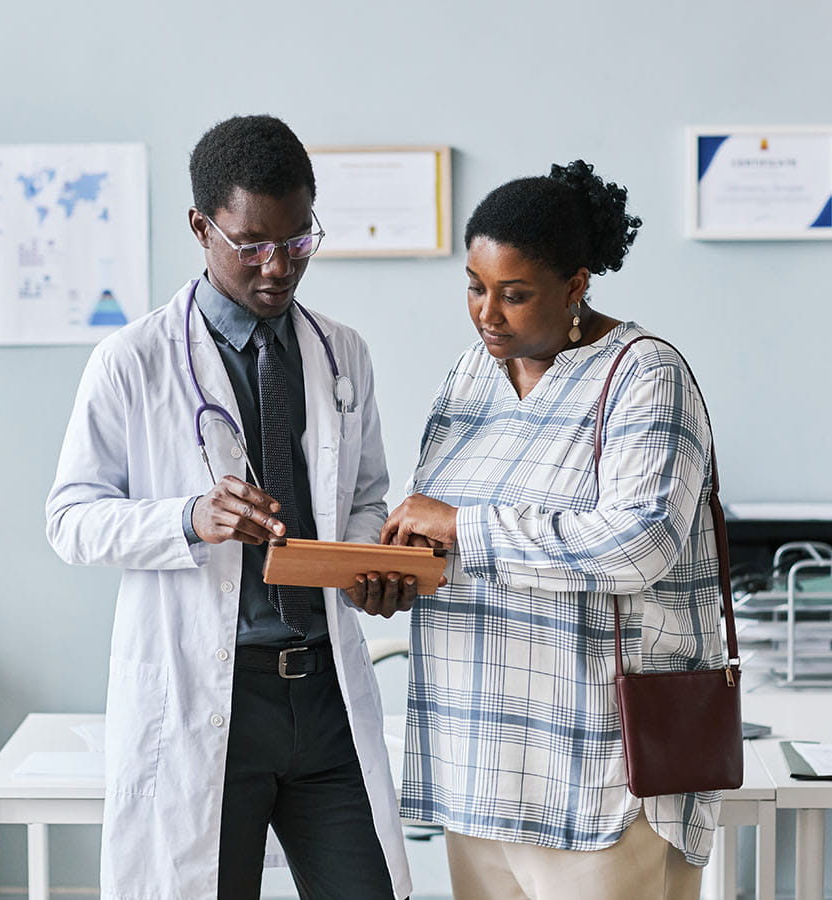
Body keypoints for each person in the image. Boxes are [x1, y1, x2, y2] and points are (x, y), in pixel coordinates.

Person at [47, 114, 417, 900]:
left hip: (324, 693)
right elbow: (70, 519)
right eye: (252, 245)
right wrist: (188, 518)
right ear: (201, 228)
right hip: (209, 694)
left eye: (298, 240)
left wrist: (363, 569)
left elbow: (364, 497)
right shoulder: (132, 361)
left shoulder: (343, 352)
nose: (279, 266)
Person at [381, 161, 726, 900]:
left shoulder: (642, 375)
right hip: (477, 761)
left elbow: (639, 543)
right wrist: (395, 572)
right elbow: (444, 538)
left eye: (514, 294)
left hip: (597, 773)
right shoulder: (469, 376)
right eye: (474, 287)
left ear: (575, 286)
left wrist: (462, 527)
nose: (488, 314)